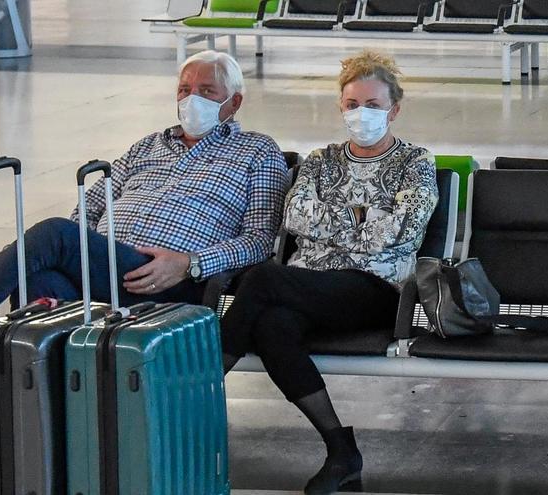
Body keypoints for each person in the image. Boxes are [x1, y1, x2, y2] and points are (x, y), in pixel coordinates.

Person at [0, 50, 289, 356]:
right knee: (39, 282)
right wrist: (85, 250)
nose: (192, 100)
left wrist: (188, 264)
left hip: (165, 278)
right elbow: (90, 207)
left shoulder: (257, 152)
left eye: (207, 92)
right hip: (104, 266)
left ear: (234, 102)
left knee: (55, 234)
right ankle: (52, 410)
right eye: (185, 90)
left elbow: (259, 240)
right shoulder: (148, 146)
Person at [220, 50, 438, 495]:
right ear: (341, 106)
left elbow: (404, 228)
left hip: (375, 289)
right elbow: (296, 216)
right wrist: (363, 216)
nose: (362, 114)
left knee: (262, 279)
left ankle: (193, 393)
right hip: (310, 285)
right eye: (353, 104)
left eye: (373, 105)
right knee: (272, 325)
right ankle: (341, 450)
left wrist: (335, 221)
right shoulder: (321, 160)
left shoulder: (415, 162)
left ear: (393, 110)